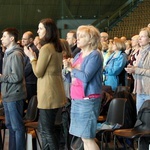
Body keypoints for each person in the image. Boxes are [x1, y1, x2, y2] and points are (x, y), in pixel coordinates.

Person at [24, 18, 67, 150]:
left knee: (46, 131)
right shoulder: (56, 46)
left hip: (48, 92)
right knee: (53, 129)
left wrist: (32, 58)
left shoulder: (47, 48)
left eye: (40, 28)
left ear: (47, 30)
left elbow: (38, 72)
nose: (38, 31)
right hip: (56, 90)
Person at [63, 25, 103, 150]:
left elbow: (86, 77)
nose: (78, 38)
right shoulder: (79, 55)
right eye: (78, 36)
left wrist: (71, 69)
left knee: (87, 137)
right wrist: (66, 68)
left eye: (82, 36)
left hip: (88, 100)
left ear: (91, 39)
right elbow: (71, 77)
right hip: (76, 98)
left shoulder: (95, 55)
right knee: (82, 137)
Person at [0, 28, 27, 150]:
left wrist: (1, 78)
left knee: (17, 127)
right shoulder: (8, 53)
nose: (2, 38)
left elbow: (17, 76)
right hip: (8, 94)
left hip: (14, 95)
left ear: (12, 39)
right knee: (10, 126)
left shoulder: (16, 54)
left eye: (4, 36)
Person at [125, 27, 150, 113]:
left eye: (143, 36)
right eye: (139, 36)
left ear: (149, 39)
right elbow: (138, 71)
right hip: (139, 89)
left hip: (148, 90)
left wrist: (137, 70)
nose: (139, 39)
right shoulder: (139, 52)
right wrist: (132, 70)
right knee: (139, 117)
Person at [22, 31, 39, 111]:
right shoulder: (27, 48)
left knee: (31, 101)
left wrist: (21, 75)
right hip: (27, 80)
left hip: (31, 80)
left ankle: (31, 118)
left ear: (31, 40)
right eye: (22, 39)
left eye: (25, 39)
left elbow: (29, 66)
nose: (22, 40)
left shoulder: (33, 50)